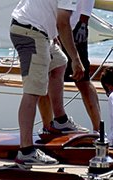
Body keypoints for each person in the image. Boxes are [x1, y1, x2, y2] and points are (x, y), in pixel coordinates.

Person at [8, 0, 92, 165]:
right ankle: (26, 151)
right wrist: (76, 59)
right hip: (30, 33)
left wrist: (52, 36)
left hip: (35, 29)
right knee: (32, 91)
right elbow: (63, 22)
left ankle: (60, 121)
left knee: (59, 62)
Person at [48, 0, 103, 131]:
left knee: (82, 79)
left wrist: (83, 23)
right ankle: (49, 125)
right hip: (50, 28)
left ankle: (98, 130)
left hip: (72, 27)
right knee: (47, 76)